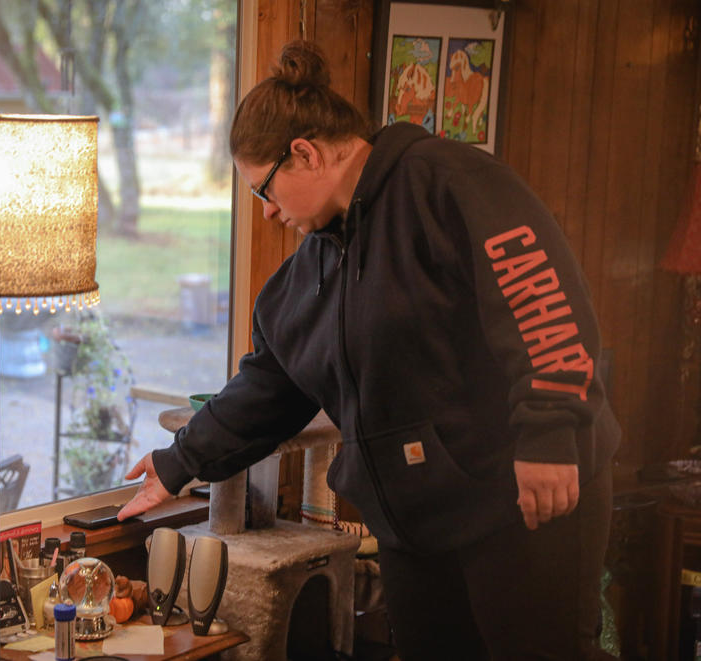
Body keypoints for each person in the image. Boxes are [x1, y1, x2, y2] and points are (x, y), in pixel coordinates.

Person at [118, 39, 620, 660]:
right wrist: (178, 462)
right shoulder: (311, 267)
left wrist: (549, 437)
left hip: (521, 501)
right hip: (415, 525)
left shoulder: (452, 185)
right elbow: (271, 383)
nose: (270, 212)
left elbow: (545, 311)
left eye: (264, 191)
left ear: (304, 152)